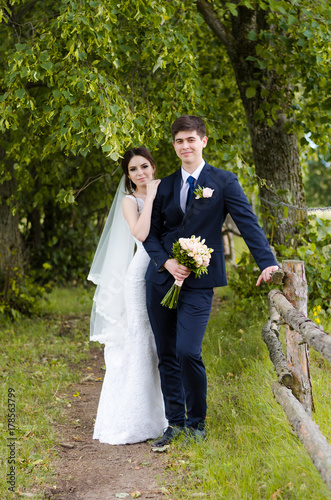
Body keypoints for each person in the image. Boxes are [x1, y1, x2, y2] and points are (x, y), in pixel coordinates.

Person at [143, 115, 279, 448]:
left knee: (188, 351)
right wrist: (167, 261)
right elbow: (151, 235)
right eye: (179, 141)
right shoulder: (166, 185)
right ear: (173, 145)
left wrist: (268, 263)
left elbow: (247, 223)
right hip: (161, 279)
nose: (185, 146)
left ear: (204, 141)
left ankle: (197, 423)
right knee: (167, 354)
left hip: (200, 283)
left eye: (191, 139)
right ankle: (174, 423)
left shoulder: (224, 181)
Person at [87, 147, 167, 445]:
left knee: (161, 342)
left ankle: (163, 413)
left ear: (153, 167)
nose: (140, 173)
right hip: (139, 276)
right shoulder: (129, 201)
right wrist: (151, 200)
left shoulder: (166, 191)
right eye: (133, 169)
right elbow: (142, 234)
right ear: (128, 175)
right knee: (141, 340)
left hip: (165, 271)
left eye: (144, 166)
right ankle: (134, 417)